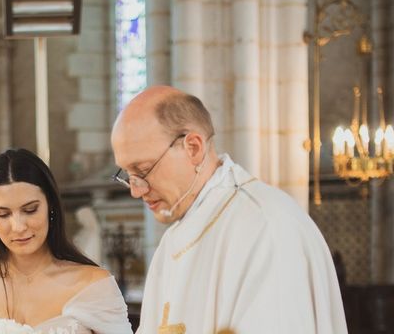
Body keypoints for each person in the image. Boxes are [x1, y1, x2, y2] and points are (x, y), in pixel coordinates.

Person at [111, 85, 347, 334]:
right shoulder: (172, 242)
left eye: (143, 170)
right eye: (127, 175)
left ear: (193, 147)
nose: (135, 190)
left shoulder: (264, 226)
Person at [0, 148, 132, 334]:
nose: (18, 226)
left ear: (50, 205)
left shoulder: (92, 285)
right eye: (3, 214)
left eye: (30, 210)